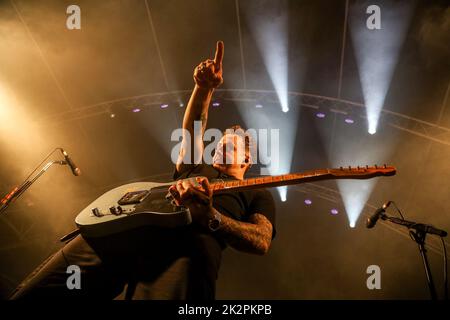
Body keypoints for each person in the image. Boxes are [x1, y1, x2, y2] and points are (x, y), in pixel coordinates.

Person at [10, 41, 276, 300]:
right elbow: (193, 129)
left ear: (247, 159)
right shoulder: (197, 169)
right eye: (217, 144)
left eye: (228, 147)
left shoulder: (257, 193)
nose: (218, 149)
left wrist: (212, 216)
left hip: (186, 255)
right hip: (120, 232)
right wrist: (203, 88)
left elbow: (261, 240)